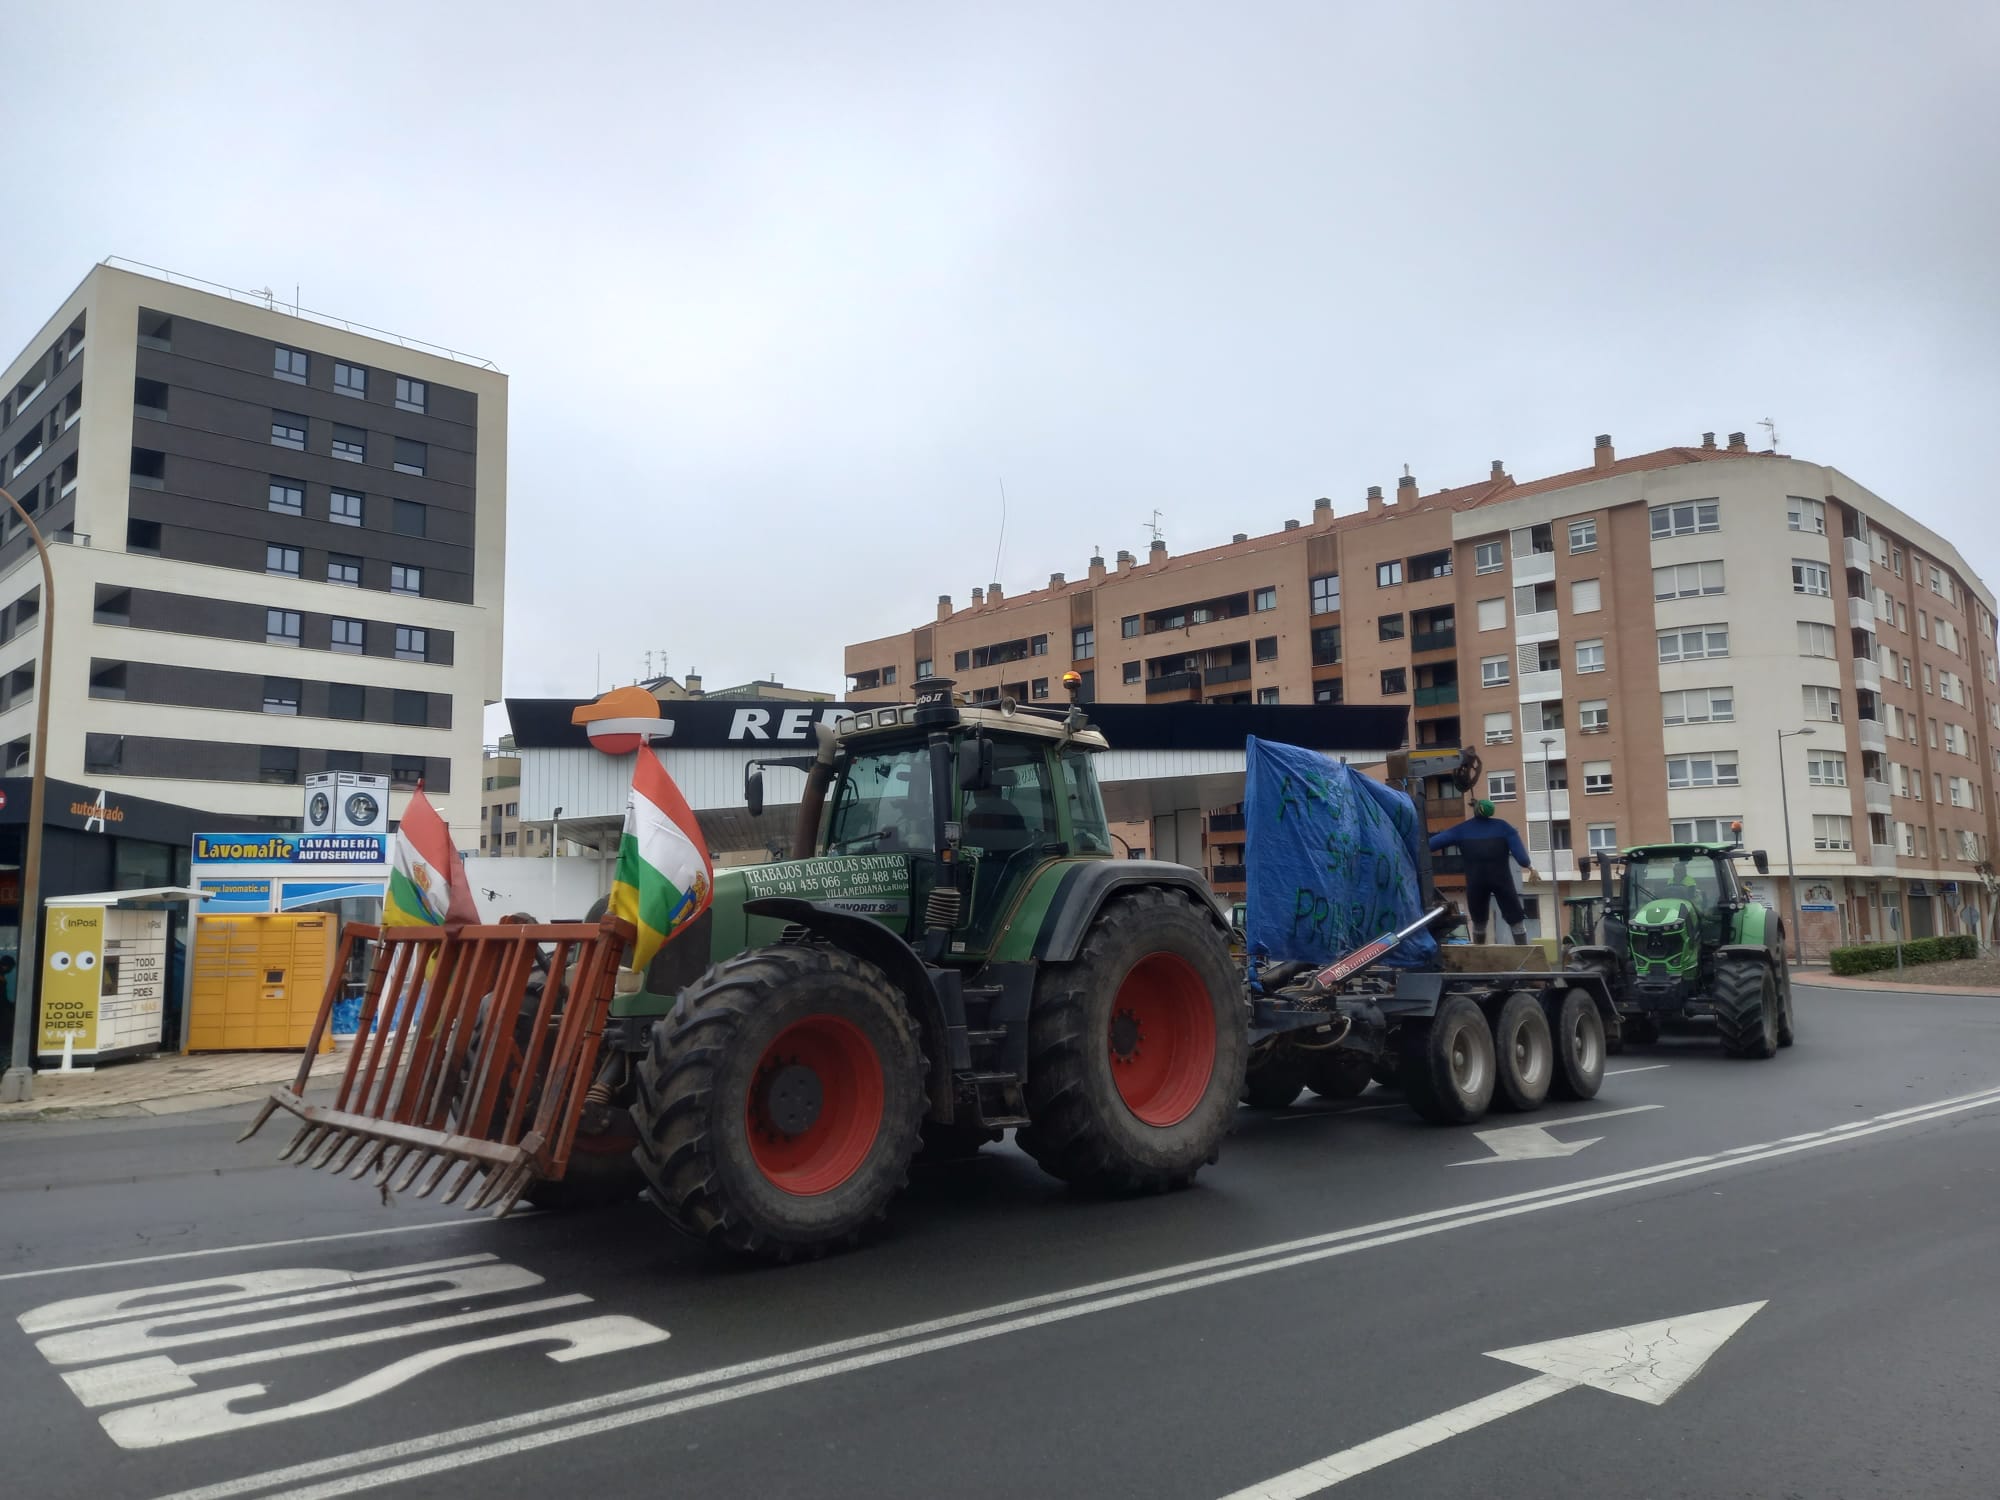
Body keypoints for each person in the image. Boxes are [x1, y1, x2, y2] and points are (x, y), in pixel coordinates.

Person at [1429, 799, 1537, 945]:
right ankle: (1525, 955)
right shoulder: (1504, 827)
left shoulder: (1462, 829)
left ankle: (1479, 954)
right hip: (1502, 881)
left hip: (1476, 882)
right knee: (1515, 919)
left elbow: (1432, 844)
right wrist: (1529, 867)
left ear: (1475, 810)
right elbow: (1522, 858)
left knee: (1479, 922)